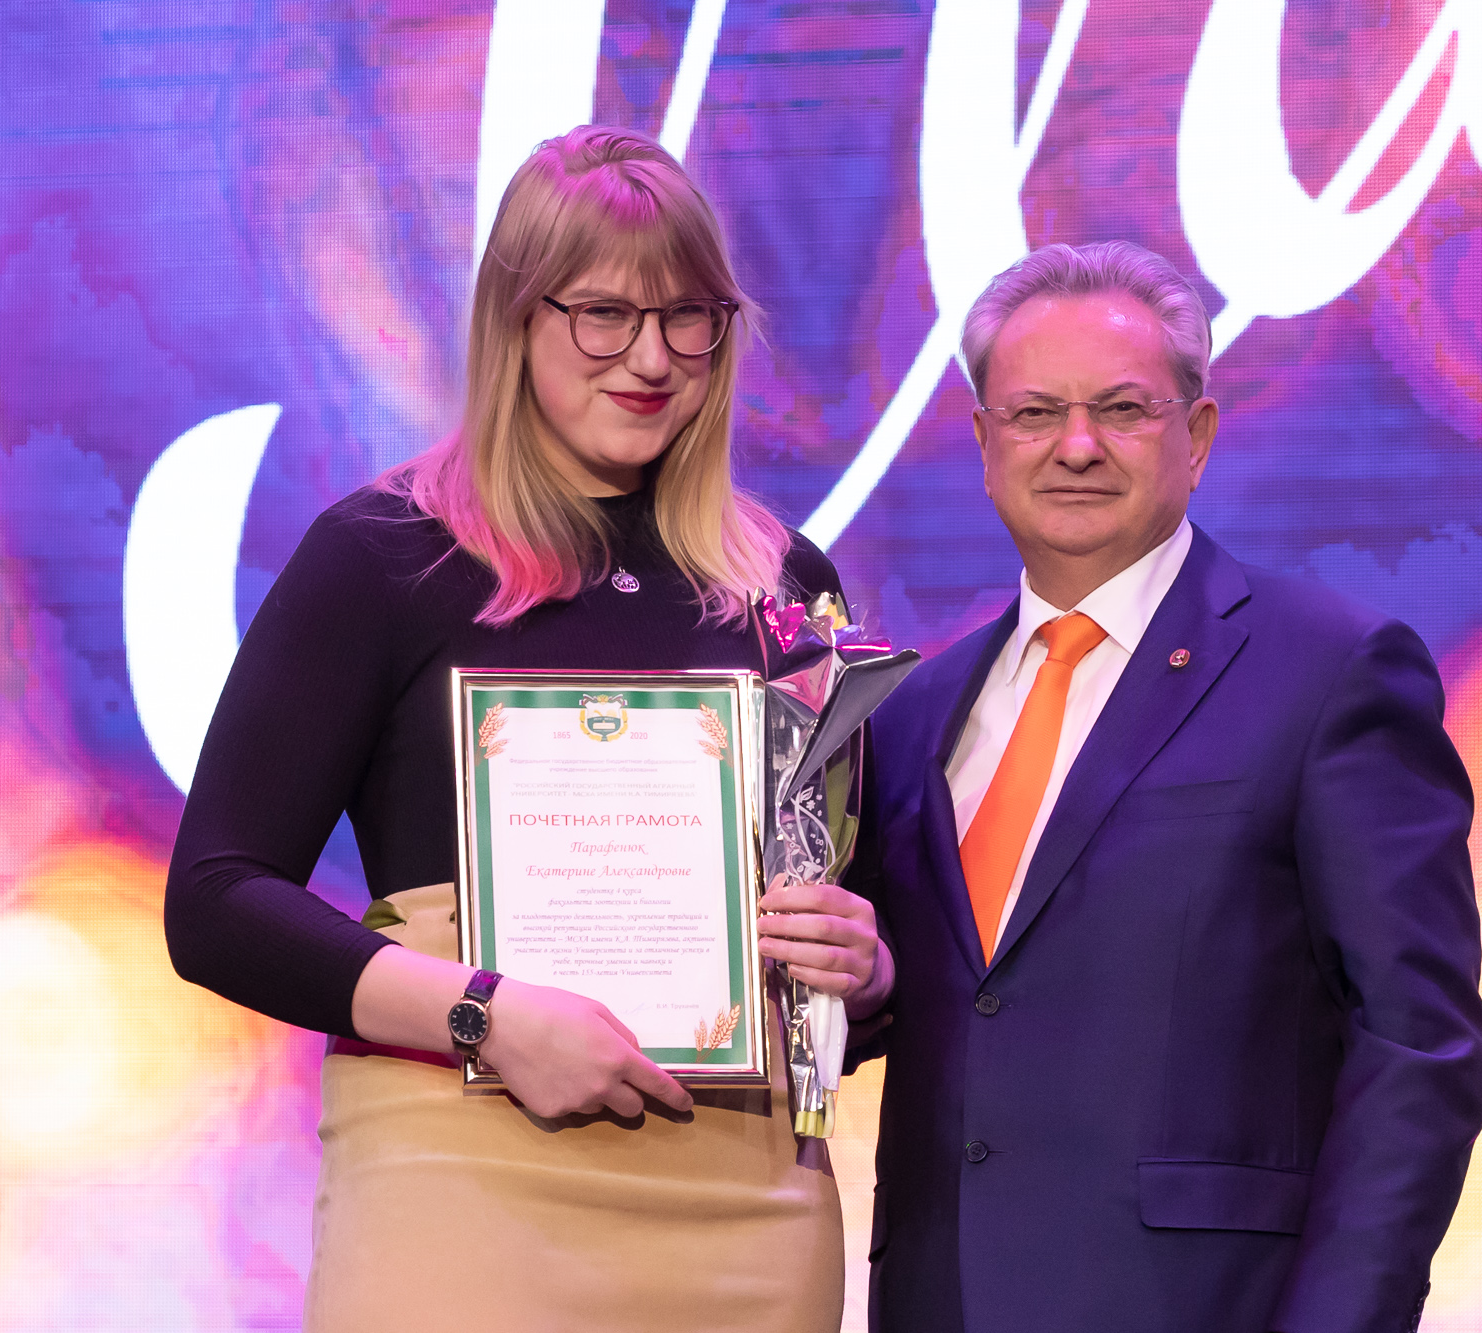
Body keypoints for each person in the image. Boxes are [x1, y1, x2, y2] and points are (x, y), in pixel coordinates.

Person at [164, 125, 891, 1333]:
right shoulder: (381, 557)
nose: (650, 358)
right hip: (461, 1177)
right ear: (514, 319)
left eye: (688, 317)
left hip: (747, 1209)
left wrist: (864, 971)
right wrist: (483, 1016)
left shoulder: (782, 586)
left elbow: (840, 954)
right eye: (602, 314)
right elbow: (216, 900)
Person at [848, 240, 1482, 1333]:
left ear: (1194, 436)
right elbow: (902, 1003)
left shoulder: (1331, 671)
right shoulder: (912, 712)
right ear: (984, 444)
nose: (1077, 446)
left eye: (1122, 409)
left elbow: (1419, 1044)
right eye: (1034, 413)